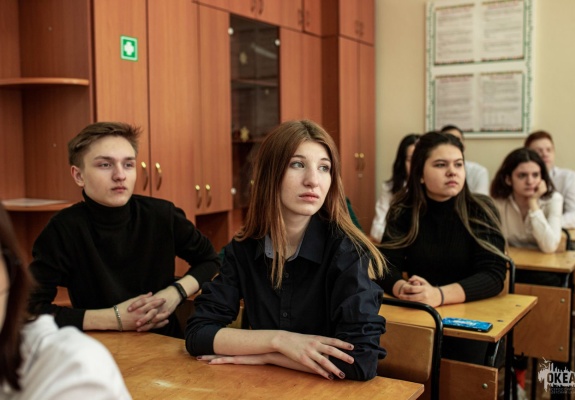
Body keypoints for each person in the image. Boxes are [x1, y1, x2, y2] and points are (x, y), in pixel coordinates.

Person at [185, 120, 387, 381]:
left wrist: (267, 356)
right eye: (297, 164)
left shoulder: (347, 251)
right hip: (264, 388)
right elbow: (198, 334)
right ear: (270, 173)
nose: (313, 181)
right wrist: (279, 341)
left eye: (324, 168)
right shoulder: (245, 247)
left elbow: (361, 361)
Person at [27, 122, 220, 339]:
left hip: (165, 343)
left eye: (128, 164)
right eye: (105, 165)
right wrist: (114, 318)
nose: (120, 175)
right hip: (97, 347)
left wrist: (175, 292)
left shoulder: (162, 215)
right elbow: (30, 309)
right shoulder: (63, 229)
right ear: (78, 175)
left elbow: (210, 260)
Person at [375, 131, 507, 364]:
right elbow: (384, 266)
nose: (452, 171)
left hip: (471, 318)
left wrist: (439, 295)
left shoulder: (481, 209)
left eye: (458, 164)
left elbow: (493, 275)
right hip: (420, 313)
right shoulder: (404, 210)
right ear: (420, 174)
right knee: (391, 353)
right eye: (440, 164)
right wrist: (403, 288)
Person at [0, 203, 131, 399]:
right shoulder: (63, 225)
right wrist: (113, 318)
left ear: (11, 271)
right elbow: (36, 304)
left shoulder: (73, 367)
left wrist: (175, 292)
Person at [490, 148, 563, 283]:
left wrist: (533, 203)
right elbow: (496, 244)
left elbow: (549, 246)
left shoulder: (553, 199)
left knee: (547, 281)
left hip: (544, 267)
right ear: (508, 179)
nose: (530, 181)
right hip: (510, 264)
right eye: (522, 175)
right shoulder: (498, 201)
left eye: (535, 175)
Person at [525, 130, 575, 229]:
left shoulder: (570, 178)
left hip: (559, 234)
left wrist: (545, 225)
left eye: (549, 150)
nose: (545, 154)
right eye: (538, 151)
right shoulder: (519, 178)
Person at [370, 133, 420, 243]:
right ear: (402, 162)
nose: (416, 165)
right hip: (397, 245)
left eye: (419, 159)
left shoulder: (433, 189)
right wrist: (401, 239)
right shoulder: (390, 188)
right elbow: (376, 229)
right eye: (410, 160)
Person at [441, 125, 490, 195]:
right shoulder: (436, 172)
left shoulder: (479, 172)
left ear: (464, 145)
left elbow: (481, 199)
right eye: (448, 140)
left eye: (457, 140)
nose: (452, 172)